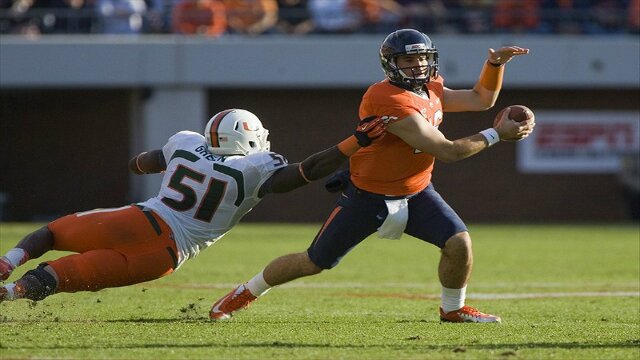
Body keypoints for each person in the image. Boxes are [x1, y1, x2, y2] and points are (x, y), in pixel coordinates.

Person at [209, 29, 534, 323]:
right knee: (313, 262)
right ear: (391, 64)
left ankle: (452, 309)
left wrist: (494, 65)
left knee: (459, 243)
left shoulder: (431, 87)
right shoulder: (385, 99)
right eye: (409, 59)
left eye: (422, 57)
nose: (418, 66)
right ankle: (246, 291)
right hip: (368, 196)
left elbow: (481, 99)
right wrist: (496, 134)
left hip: (417, 191)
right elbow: (447, 151)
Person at [0, 109, 387, 303]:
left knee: (51, 234)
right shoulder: (257, 168)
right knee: (59, 277)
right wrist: (356, 143)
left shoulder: (186, 142)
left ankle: (7, 263)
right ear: (252, 141)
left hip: (143, 219)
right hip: (167, 254)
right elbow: (308, 170)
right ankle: (14, 292)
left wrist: (143, 162)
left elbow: (144, 161)